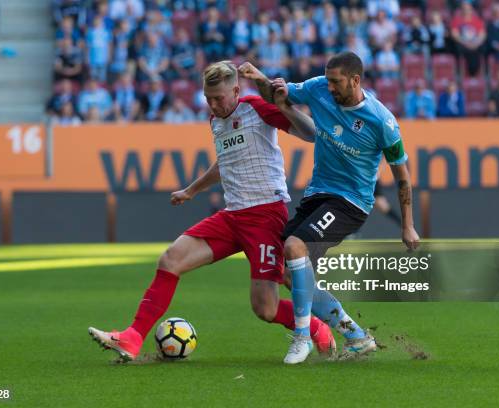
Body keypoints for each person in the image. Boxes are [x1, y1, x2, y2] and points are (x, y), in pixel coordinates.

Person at [88, 61, 335, 362]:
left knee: (265, 309)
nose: (213, 104)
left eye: (218, 97)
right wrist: (191, 190)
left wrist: (285, 107)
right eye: (208, 98)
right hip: (232, 217)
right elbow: (225, 163)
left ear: (235, 90)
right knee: (171, 259)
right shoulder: (215, 122)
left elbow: (310, 134)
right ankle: (132, 337)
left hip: (265, 217)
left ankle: (317, 327)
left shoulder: (255, 107)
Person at [239, 51, 420, 364]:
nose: (331, 87)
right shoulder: (318, 87)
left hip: (351, 202)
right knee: (289, 274)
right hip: (318, 195)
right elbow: (279, 94)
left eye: (337, 82)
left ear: (355, 80)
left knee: (296, 247)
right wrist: (259, 79)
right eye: (329, 80)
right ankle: (356, 336)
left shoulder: (382, 121)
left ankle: (301, 336)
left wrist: (407, 225)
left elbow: (403, 178)